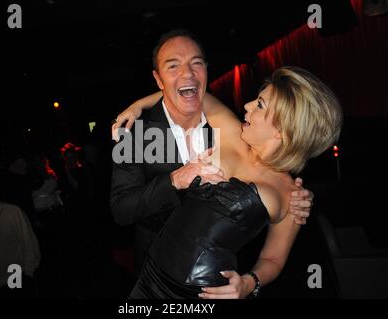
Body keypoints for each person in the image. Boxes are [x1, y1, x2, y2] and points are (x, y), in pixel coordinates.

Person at [110, 29, 315, 297]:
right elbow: (121, 211)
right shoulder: (133, 133)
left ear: (206, 70)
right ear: (158, 79)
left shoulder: (232, 130)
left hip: (210, 287)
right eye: (173, 66)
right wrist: (174, 179)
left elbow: (273, 254)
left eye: (196, 63)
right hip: (151, 271)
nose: (188, 74)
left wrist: (249, 284)